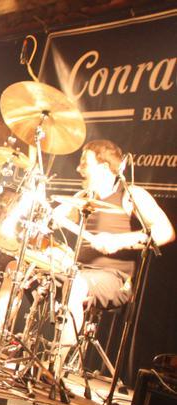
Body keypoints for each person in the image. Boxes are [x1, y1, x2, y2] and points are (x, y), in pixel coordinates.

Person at [50, 139, 174, 372]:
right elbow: (52, 222)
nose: (78, 169)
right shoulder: (82, 197)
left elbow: (165, 232)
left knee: (76, 284)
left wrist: (120, 240)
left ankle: (53, 368)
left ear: (104, 167)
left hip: (116, 279)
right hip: (78, 272)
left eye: (85, 163)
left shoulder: (130, 194)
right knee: (23, 271)